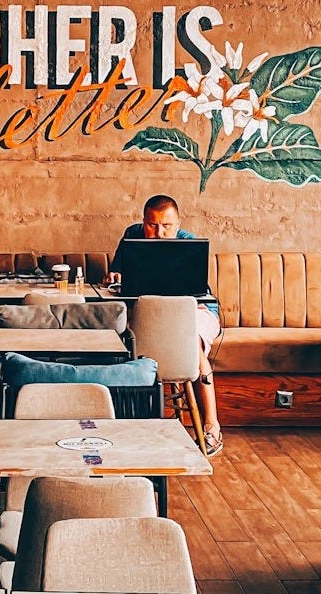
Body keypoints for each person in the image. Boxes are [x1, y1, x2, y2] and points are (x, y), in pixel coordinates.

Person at [107, 194, 223, 457]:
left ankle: (212, 426)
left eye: (166, 226)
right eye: (152, 224)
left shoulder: (189, 244)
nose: (158, 232)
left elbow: (198, 295)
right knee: (120, 338)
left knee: (189, 341)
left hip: (196, 310)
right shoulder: (132, 235)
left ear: (178, 222)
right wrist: (115, 275)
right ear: (144, 221)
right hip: (152, 313)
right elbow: (116, 275)